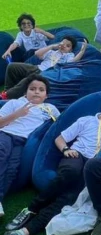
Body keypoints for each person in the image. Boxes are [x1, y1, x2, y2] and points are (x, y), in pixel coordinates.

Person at [0, 97, 101, 235]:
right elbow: (60, 139)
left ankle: (22, 233)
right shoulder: (86, 121)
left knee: (68, 197)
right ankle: (31, 209)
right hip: (76, 156)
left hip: (93, 165)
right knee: (70, 172)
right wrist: (66, 150)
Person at [0, 75, 60, 220]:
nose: (36, 92)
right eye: (32, 89)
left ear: (46, 95)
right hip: (5, 134)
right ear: (25, 92)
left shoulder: (50, 109)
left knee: (12, 167)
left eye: (41, 90)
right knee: (1, 155)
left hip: (23, 141)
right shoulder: (15, 103)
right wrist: (17, 114)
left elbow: (60, 123)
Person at [1, 36, 87, 100]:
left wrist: (82, 51)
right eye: (63, 43)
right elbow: (37, 53)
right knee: (12, 66)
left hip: (46, 74)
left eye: (68, 46)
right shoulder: (52, 51)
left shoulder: (69, 55)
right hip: (37, 68)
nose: (64, 46)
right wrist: (52, 46)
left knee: (26, 81)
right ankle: (8, 91)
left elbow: (73, 62)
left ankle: (5, 96)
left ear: (70, 50)